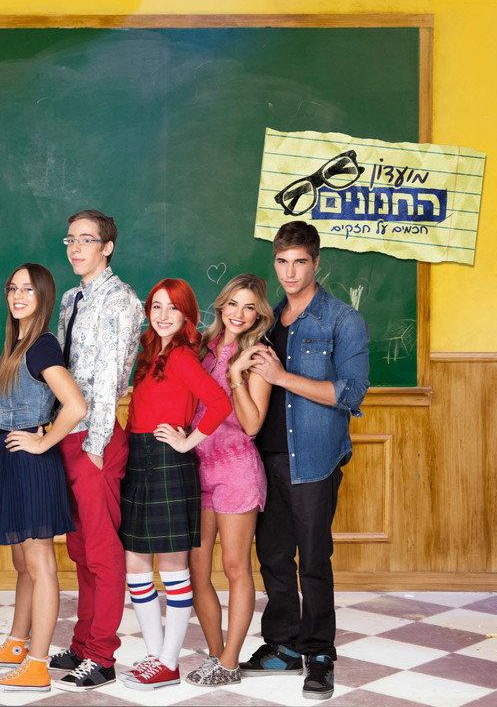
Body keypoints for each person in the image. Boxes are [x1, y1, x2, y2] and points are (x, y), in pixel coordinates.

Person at [239, 221, 370, 701]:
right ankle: (284, 644)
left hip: (313, 458)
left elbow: (351, 394)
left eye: (299, 262)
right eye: (281, 262)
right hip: (265, 456)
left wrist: (282, 376)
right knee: (273, 555)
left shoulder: (342, 320)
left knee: (313, 559)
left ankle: (319, 655)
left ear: (316, 263)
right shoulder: (267, 320)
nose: (289, 272)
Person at [0, 263, 87, 693]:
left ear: (43, 297)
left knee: (40, 567)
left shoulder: (41, 346)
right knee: (23, 564)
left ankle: (37, 665)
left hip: (33, 465)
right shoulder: (16, 346)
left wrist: (43, 441)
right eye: (12, 288)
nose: (18, 296)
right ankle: (17, 643)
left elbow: (75, 405)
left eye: (28, 290)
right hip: (11, 464)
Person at [118, 278, 231, 690]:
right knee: (135, 563)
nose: (163, 316)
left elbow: (220, 403)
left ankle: (169, 662)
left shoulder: (182, 355)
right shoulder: (151, 354)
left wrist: (187, 441)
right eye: (157, 307)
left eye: (173, 308)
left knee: (172, 567)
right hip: (138, 459)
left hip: (168, 461)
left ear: (187, 316)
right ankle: (155, 656)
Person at [50, 209, 143, 692]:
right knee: (81, 548)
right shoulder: (71, 299)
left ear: (107, 247)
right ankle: (83, 643)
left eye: (86, 240)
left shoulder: (121, 300)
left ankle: (102, 656)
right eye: (70, 239)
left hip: (95, 438)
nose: (76, 248)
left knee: (103, 551)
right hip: (66, 432)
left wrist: (97, 443)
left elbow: (109, 379)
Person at [185, 274, 273, 687]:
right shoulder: (200, 346)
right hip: (196, 468)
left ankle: (231, 661)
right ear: (221, 305)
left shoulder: (259, 356)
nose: (239, 313)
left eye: (249, 307)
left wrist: (236, 373)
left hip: (236, 469)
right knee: (197, 571)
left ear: (258, 314)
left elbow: (252, 424)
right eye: (233, 304)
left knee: (236, 568)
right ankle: (217, 654)